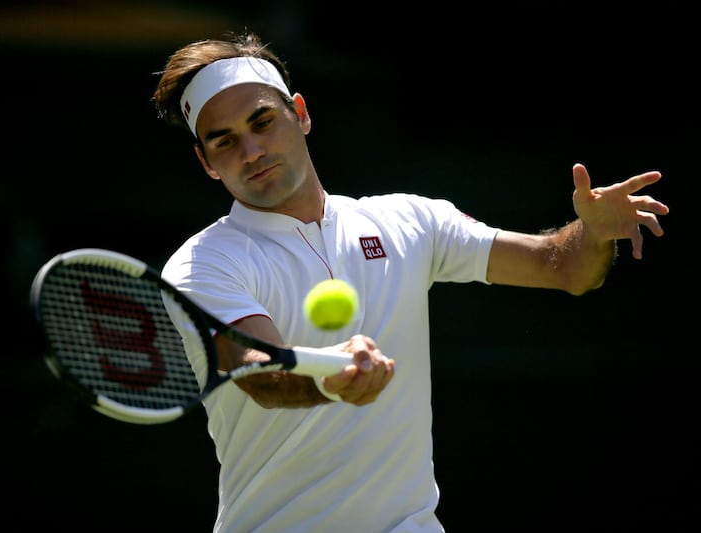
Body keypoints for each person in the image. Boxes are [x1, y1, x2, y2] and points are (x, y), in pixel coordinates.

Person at [151, 30, 668, 533]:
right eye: (225, 141)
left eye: (263, 121)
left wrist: (593, 232)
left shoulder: (410, 220)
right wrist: (332, 379)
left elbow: (566, 268)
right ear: (206, 162)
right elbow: (258, 374)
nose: (251, 151)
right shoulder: (203, 263)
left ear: (301, 114)